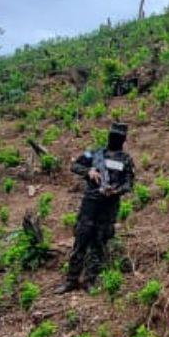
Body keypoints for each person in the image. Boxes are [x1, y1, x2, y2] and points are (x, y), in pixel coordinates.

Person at [59, 122, 136, 293]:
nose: (115, 139)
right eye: (113, 135)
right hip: (90, 204)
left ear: (123, 139)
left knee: (99, 243)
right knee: (81, 239)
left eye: (118, 136)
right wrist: (89, 172)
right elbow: (75, 165)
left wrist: (115, 191)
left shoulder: (126, 160)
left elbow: (129, 184)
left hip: (108, 207)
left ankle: (90, 281)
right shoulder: (94, 153)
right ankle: (71, 280)